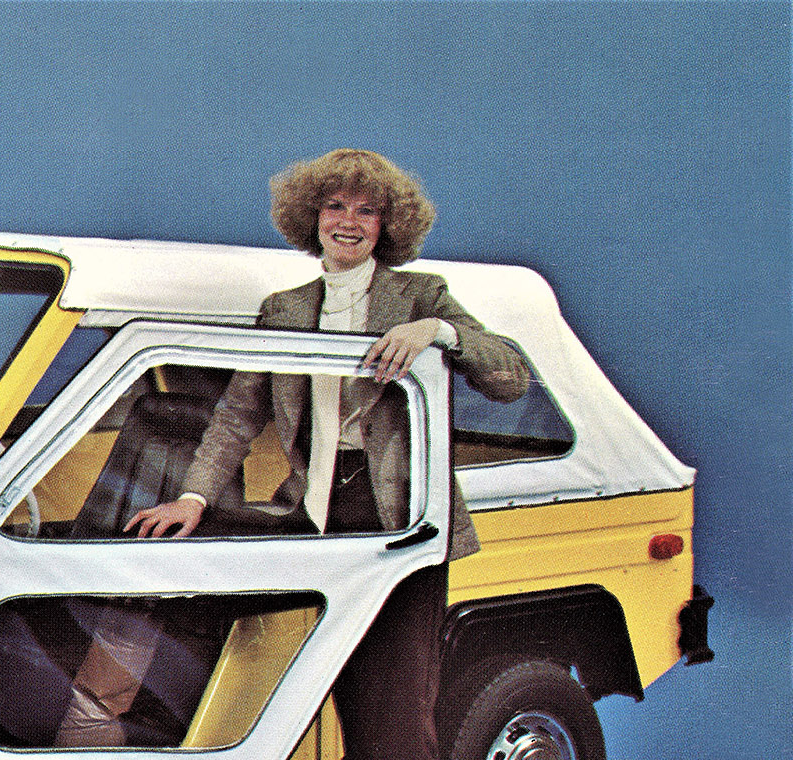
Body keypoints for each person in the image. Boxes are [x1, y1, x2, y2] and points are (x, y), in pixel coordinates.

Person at [55, 149, 528, 755]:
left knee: (389, 714)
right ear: (313, 218)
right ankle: (95, 725)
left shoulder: (420, 295)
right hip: (311, 511)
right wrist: (194, 498)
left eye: (367, 210)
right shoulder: (285, 308)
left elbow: (509, 377)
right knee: (167, 560)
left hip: (398, 524)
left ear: (388, 225)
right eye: (335, 206)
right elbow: (238, 413)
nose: (348, 221)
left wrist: (438, 333)